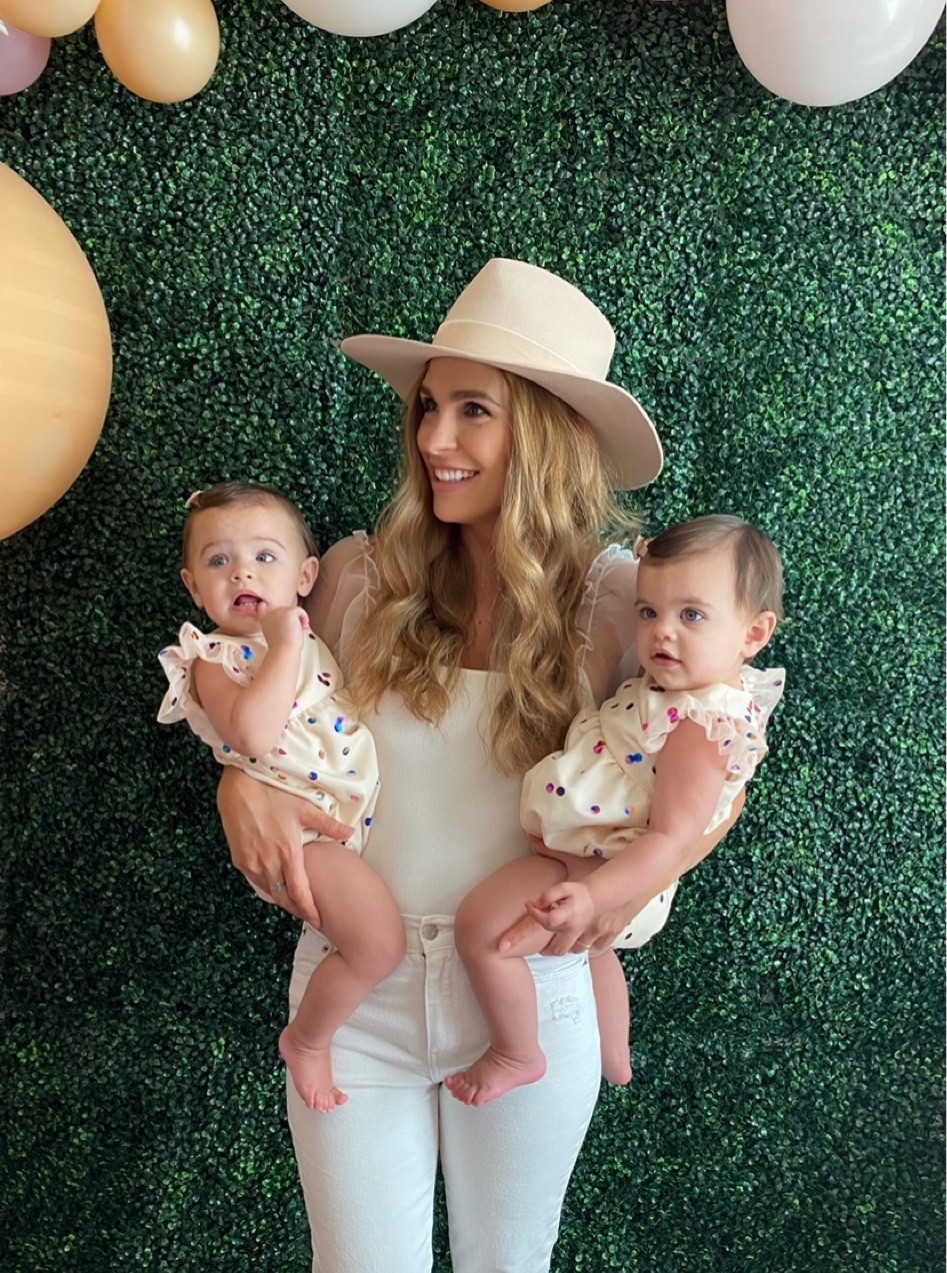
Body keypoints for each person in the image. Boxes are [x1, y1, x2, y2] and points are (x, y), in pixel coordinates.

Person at [215, 258, 743, 1273]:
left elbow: (714, 763)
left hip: (532, 991)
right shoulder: (356, 579)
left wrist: (635, 871)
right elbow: (276, 731)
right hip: (347, 988)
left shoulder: (626, 602)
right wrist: (239, 781)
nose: (432, 440)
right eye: (426, 407)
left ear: (542, 433)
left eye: (471, 411)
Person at [444, 515, 785, 1107]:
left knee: (480, 929)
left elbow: (673, 836)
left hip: (600, 868)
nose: (662, 633)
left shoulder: (705, 725)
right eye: (649, 612)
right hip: (591, 857)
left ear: (753, 634)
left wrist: (593, 894)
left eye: (692, 616)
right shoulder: (673, 692)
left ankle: (515, 1052)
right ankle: (615, 1056)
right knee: (596, 953)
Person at [157, 481, 404, 1112]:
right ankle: (308, 1041)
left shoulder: (307, 641)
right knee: (379, 944)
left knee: (371, 936)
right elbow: (252, 733)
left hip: (340, 823)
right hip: (298, 834)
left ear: (305, 575)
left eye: (265, 557)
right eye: (219, 561)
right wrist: (288, 644)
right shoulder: (210, 658)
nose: (242, 570)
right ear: (193, 588)